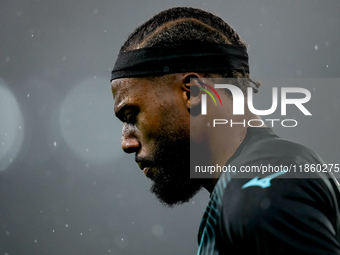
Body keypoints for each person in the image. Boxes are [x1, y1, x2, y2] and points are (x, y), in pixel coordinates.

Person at [110, 7, 340, 254]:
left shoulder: (257, 192)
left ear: (192, 93)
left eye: (131, 116)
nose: (126, 142)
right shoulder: (262, 178)